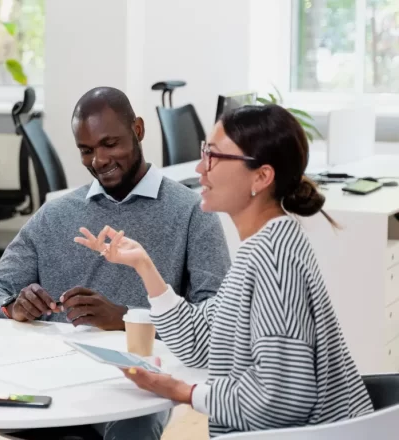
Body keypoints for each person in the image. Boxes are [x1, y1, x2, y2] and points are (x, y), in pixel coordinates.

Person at [75, 104, 374, 437]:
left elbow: (281, 399)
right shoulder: (264, 246)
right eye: (205, 153)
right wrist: (144, 266)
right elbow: (200, 342)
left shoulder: (273, 261)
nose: (201, 168)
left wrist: (183, 393)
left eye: (215, 157)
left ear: (261, 177)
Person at [0, 86, 231, 440]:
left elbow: (216, 322)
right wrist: (10, 307)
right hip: (54, 379)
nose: (99, 160)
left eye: (110, 144)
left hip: (136, 383)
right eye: (86, 150)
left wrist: (124, 320)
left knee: (132, 427)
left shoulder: (191, 213)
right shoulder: (56, 214)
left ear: (138, 130)